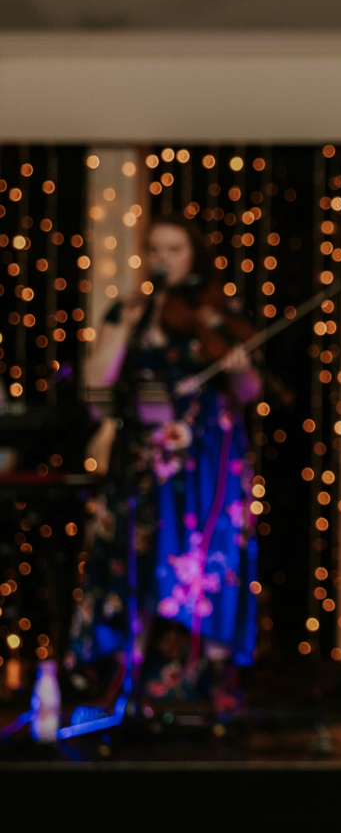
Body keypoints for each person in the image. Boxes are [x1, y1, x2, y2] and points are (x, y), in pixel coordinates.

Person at [68, 213, 261, 705]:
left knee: (204, 563)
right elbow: (96, 393)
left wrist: (238, 369)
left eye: (174, 250)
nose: (163, 260)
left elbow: (250, 391)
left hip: (208, 460)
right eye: (155, 249)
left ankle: (200, 677)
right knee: (134, 556)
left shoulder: (218, 311)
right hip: (143, 459)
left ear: (193, 255)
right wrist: (124, 327)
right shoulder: (129, 312)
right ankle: (123, 674)